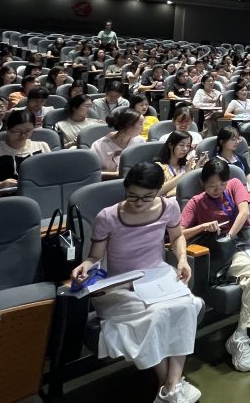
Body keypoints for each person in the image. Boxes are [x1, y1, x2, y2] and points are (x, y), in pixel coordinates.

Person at [70, 162, 202, 403]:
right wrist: (85, 266)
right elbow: (94, 256)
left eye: (147, 197)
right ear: (125, 189)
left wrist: (182, 258)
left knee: (186, 306)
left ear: (159, 191)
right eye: (132, 196)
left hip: (156, 276)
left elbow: (177, 237)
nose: (139, 203)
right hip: (120, 283)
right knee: (156, 316)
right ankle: (170, 386)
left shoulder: (169, 207)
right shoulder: (108, 217)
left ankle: (171, 385)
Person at [180, 158, 250, 372]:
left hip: (247, 243)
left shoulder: (234, 185)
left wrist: (230, 235)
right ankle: (241, 336)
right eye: (212, 185)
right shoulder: (196, 202)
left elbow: (243, 212)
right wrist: (203, 227)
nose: (218, 189)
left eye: (221, 184)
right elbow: (176, 233)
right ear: (202, 184)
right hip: (226, 255)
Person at [0, 110, 52, 193]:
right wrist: (0, 185)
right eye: (17, 131)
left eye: (28, 131)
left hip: (38, 192)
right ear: (8, 129)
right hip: (5, 198)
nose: (23, 135)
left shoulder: (42, 146)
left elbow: (50, 175)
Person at [92, 110, 146, 177]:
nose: (143, 128)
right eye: (140, 124)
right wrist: (120, 175)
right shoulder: (98, 146)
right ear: (128, 125)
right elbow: (92, 173)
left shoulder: (140, 141)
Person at [156, 130, 202, 196]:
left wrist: (198, 168)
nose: (185, 148)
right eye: (181, 145)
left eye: (188, 145)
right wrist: (184, 173)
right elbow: (157, 192)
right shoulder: (159, 167)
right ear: (170, 145)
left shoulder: (190, 165)